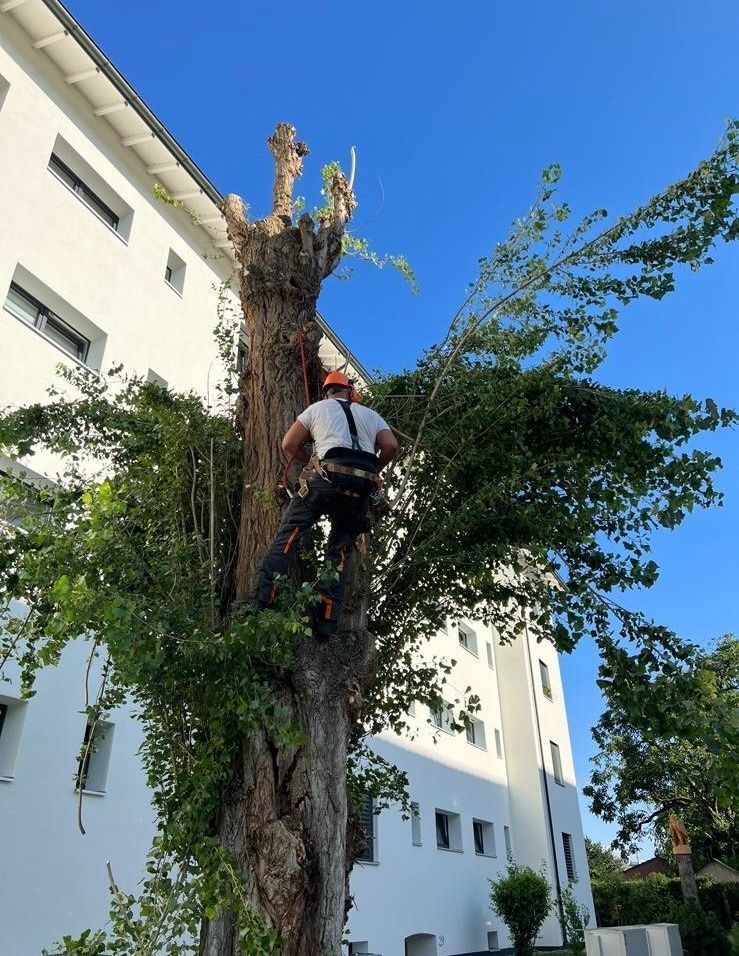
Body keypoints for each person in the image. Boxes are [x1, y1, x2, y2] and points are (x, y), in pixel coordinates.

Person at [254, 371, 398, 637]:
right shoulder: (370, 415)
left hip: (326, 479)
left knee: (290, 534)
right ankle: (326, 620)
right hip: (360, 488)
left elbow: (289, 444)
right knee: (340, 551)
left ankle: (263, 601)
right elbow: (390, 446)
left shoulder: (317, 408)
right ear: (351, 392)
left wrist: (311, 461)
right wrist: (373, 471)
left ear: (327, 392)